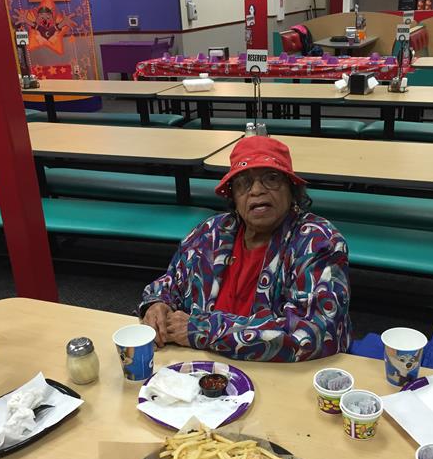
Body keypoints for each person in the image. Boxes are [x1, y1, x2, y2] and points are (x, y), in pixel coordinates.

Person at [140, 135, 351, 362]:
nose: (256, 190)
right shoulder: (211, 233)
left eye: (271, 178)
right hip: (203, 369)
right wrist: (157, 304)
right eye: (243, 183)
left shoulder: (318, 241)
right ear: (234, 197)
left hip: (282, 373)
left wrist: (201, 330)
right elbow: (171, 281)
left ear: (292, 190)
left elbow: (314, 330)